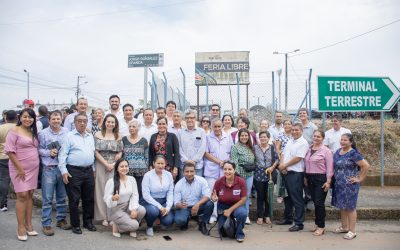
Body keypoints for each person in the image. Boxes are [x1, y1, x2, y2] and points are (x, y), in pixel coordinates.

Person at [58, 112, 96, 235]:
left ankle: (88, 222)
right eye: (79, 121)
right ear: (75, 123)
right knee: (74, 199)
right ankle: (75, 224)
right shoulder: (69, 136)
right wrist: (63, 171)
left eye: (84, 121)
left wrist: (93, 169)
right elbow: (62, 155)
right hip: (73, 171)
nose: (82, 123)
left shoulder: (90, 136)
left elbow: (92, 153)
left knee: (89, 198)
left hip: (89, 170)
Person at [5, 108, 40, 241]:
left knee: (30, 194)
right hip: (19, 168)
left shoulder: (32, 131)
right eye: (25, 117)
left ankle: (29, 224)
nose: (28, 119)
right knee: (22, 195)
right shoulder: (14, 131)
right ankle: (20, 227)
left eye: (30, 117)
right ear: (20, 117)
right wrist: (20, 168)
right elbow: (9, 151)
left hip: (33, 169)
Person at [38, 110, 72, 236]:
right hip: (49, 168)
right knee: (47, 198)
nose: (56, 121)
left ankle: (61, 220)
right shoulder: (42, 133)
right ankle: (46, 224)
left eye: (58, 119)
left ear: (62, 119)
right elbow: (39, 149)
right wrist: (48, 153)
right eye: (54, 119)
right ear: (49, 119)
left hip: (63, 168)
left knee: (62, 197)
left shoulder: (66, 132)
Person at [331, 133, 369, 240]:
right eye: (341, 140)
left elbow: (365, 166)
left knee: (350, 207)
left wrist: (360, 178)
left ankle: (352, 231)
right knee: (342, 206)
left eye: (345, 140)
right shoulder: (338, 152)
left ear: (351, 142)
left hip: (350, 185)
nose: (342, 142)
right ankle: (344, 227)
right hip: (339, 184)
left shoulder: (353, 153)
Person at [277, 123, 309, 232]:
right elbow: (283, 154)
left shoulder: (303, 143)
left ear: (301, 131)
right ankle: (288, 218)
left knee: (297, 199)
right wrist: (282, 166)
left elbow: (298, 158)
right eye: (293, 130)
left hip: (296, 174)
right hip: (286, 172)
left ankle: (299, 223)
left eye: (297, 130)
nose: (294, 132)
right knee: (287, 198)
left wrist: (284, 165)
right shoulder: (291, 140)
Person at [103, 158, 146, 238]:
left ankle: (130, 226)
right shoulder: (111, 181)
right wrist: (112, 198)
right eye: (122, 166)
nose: (124, 168)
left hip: (128, 206)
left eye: (126, 166)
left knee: (142, 210)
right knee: (135, 225)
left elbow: (135, 195)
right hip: (117, 209)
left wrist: (133, 209)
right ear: (117, 169)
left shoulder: (132, 179)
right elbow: (106, 198)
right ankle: (117, 227)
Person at [94, 114, 123, 227]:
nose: (110, 124)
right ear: (104, 122)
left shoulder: (118, 136)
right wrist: (106, 164)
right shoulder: (98, 134)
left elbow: (120, 151)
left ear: (115, 124)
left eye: (112, 122)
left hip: (114, 166)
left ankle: (111, 217)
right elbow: (95, 151)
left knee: (112, 191)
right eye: (108, 121)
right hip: (101, 164)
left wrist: (114, 163)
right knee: (100, 190)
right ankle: (102, 217)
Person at [304, 130, 333, 236]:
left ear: (323, 138)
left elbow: (330, 168)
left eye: (318, 137)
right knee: (315, 202)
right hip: (309, 177)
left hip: (321, 178)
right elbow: (305, 164)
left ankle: (321, 226)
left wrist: (328, 181)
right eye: (314, 136)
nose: (316, 138)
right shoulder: (308, 148)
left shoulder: (326, 151)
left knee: (319, 203)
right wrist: (305, 177)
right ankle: (317, 224)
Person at [204, 119, 233, 223]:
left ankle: (222, 214)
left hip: (225, 170)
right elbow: (206, 153)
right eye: (215, 126)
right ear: (211, 127)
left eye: (219, 126)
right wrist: (219, 162)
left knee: (224, 193)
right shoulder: (207, 137)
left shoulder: (227, 137)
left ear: (222, 126)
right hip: (212, 170)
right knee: (213, 193)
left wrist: (226, 162)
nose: (217, 129)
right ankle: (213, 215)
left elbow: (231, 152)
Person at [211, 161, 247, 243]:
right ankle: (229, 223)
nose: (227, 171)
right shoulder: (219, 181)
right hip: (222, 207)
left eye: (230, 169)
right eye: (225, 169)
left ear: (234, 170)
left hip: (237, 206)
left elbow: (244, 199)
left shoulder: (241, 181)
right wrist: (214, 199)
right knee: (224, 232)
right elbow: (213, 196)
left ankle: (240, 234)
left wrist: (230, 210)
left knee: (242, 213)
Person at [174, 162, 214, 235]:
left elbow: (207, 195)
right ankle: (187, 218)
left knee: (210, 204)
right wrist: (181, 205)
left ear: (195, 172)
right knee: (179, 220)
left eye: (191, 171)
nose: (189, 174)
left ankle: (203, 223)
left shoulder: (202, 180)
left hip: (198, 206)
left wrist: (197, 204)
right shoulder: (179, 184)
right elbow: (176, 203)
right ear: (183, 172)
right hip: (185, 207)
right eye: (187, 171)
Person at [141, 155, 175, 236]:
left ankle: (161, 218)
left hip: (163, 201)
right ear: (153, 163)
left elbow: (170, 192)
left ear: (165, 164)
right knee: (154, 211)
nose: (160, 166)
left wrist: (167, 207)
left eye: (162, 163)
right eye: (158, 163)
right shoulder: (148, 175)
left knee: (168, 221)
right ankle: (149, 226)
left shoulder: (169, 175)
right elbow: (146, 195)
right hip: (149, 201)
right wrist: (160, 207)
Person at [230, 128, 255, 225]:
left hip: (250, 174)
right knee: (238, 195)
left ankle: (246, 215)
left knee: (247, 195)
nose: (244, 137)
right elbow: (234, 162)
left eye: (246, 135)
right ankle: (237, 215)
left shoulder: (250, 147)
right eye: (242, 135)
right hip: (240, 175)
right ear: (239, 137)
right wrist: (238, 176)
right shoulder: (235, 147)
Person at [254, 131, 279, 225]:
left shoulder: (272, 148)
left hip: (270, 174)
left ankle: (267, 215)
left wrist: (272, 167)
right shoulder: (255, 148)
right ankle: (260, 216)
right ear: (259, 138)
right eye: (261, 137)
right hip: (258, 174)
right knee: (260, 196)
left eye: (265, 137)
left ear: (268, 138)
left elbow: (277, 158)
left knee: (268, 196)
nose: (263, 138)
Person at [122, 120, 148, 199]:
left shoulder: (144, 140)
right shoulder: (124, 139)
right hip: (127, 171)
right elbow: (121, 154)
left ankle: (139, 209)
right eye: (130, 126)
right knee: (128, 191)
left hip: (140, 171)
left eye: (133, 126)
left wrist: (146, 168)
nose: (131, 128)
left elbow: (146, 156)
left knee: (139, 191)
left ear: (138, 128)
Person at [178, 110, 207, 177]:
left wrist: (194, 160)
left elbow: (202, 148)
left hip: (197, 166)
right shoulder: (180, 132)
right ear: (184, 119)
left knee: (198, 186)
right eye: (187, 118)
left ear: (195, 119)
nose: (189, 120)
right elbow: (179, 148)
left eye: (192, 118)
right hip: (183, 166)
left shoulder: (201, 131)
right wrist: (186, 160)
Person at [0, 110, 17, 212]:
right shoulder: (19, 129)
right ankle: (22, 200)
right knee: (19, 179)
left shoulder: (1, 128)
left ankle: (3, 204)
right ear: (17, 118)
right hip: (17, 157)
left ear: (6, 118)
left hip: (3, 157)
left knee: (3, 180)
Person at [275, 119, 292, 203]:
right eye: (285, 124)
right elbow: (278, 148)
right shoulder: (280, 135)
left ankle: (290, 193)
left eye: (289, 124)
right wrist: (280, 158)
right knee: (281, 177)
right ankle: (280, 194)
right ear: (283, 126)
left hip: (292, 159)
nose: (287, 125)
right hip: (282, 158)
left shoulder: (294, 135)